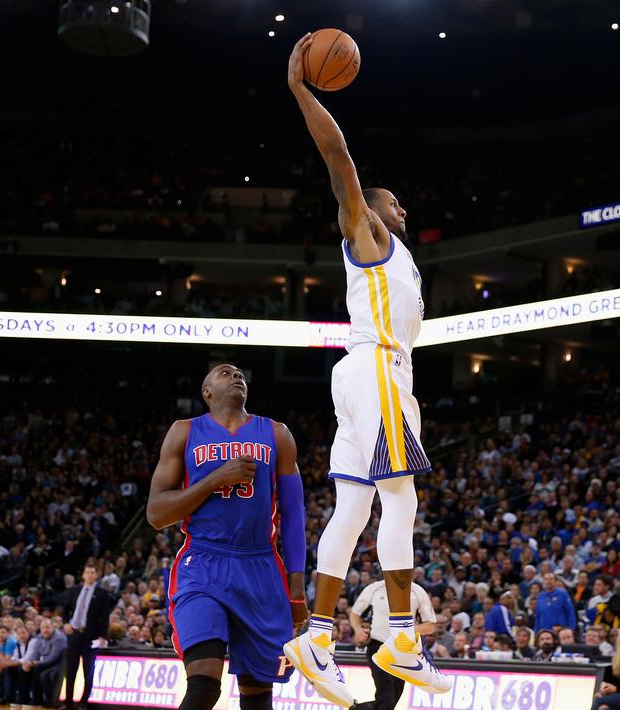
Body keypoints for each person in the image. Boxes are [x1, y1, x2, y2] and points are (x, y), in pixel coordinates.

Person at [282, 32, 450, 707]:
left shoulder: (397, 257)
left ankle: (316, 638)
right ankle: (402, 636)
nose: (402, 210)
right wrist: (299, 88)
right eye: (394, 202)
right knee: (401, 499)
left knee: (352, 508)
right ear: (369, 212)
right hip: (376, 370)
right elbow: (338, 157)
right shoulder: (369, 235)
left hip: (363, 376)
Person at [147, 363, 309, 710]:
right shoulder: (184, 431)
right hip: (203, 564)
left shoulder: (277, 433)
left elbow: (295, 516)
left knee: (257, 697)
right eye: (224, 373)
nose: (237, 376)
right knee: (204, 685)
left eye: (240, 374)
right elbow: (157, 513)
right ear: (206, 392)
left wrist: (296, 588)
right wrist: (216, 478)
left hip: (261, 566)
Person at [349, 573, 436, 710]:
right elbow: (355, 613)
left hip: (402, 649)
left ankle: (358, 708)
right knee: (386, 696)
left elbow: (430, 625)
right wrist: (358, 629)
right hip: (378, 647)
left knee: (393, 698)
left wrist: (407, 630)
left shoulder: (417, 591)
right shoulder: (375, 588)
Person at [59, 564, 114, 710]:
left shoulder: (102, 593)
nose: (90, 574)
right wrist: (65, 623)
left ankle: (84, 703)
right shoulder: (74, 590)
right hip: (74, 633)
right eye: (87, 572)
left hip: (91, 636)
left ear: (96, 575)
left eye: (92, 572)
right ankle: (68, 703)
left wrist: (103, 636)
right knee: (70, 670)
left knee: (88, 671)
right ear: (83, 575)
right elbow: (65, 608)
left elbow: (105, 617)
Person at [24, 618, 67, 707]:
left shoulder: (58, 638)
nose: (45, 630)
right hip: (45, 662)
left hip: (59, 663)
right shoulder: (39, 637)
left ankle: (46, 700)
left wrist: (35, 663)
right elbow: (35, 653)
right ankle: (32, 699)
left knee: (41, 671)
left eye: (47, 627)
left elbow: (53, 658)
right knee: (26, 669)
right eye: (43, 628)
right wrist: (29, 662)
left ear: (53, 627)